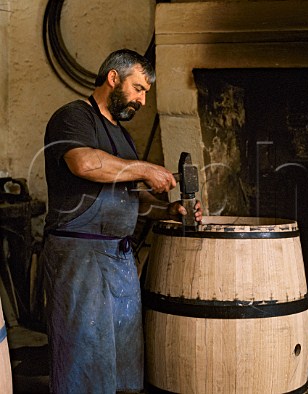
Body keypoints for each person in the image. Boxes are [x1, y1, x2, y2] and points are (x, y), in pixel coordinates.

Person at [41, 49, 202, 393]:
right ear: (114, 78)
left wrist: (167, 211)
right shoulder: (74, 117)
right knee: (83, 364)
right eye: (139, 88)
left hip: (120, 263)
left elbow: (127, 196)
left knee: (124, 367)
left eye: (146, 93)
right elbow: (84, 163)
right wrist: (145, 169)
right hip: (80, 262)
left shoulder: (123, 137)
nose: (143, 100)